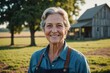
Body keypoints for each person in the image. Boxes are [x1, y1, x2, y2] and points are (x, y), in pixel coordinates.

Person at [28, 7, 90, 73]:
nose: (54, 30)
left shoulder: (79, 60)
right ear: (44, 30)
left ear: (66, 30)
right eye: (49, 25)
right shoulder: (35, 58)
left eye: (59, 25)